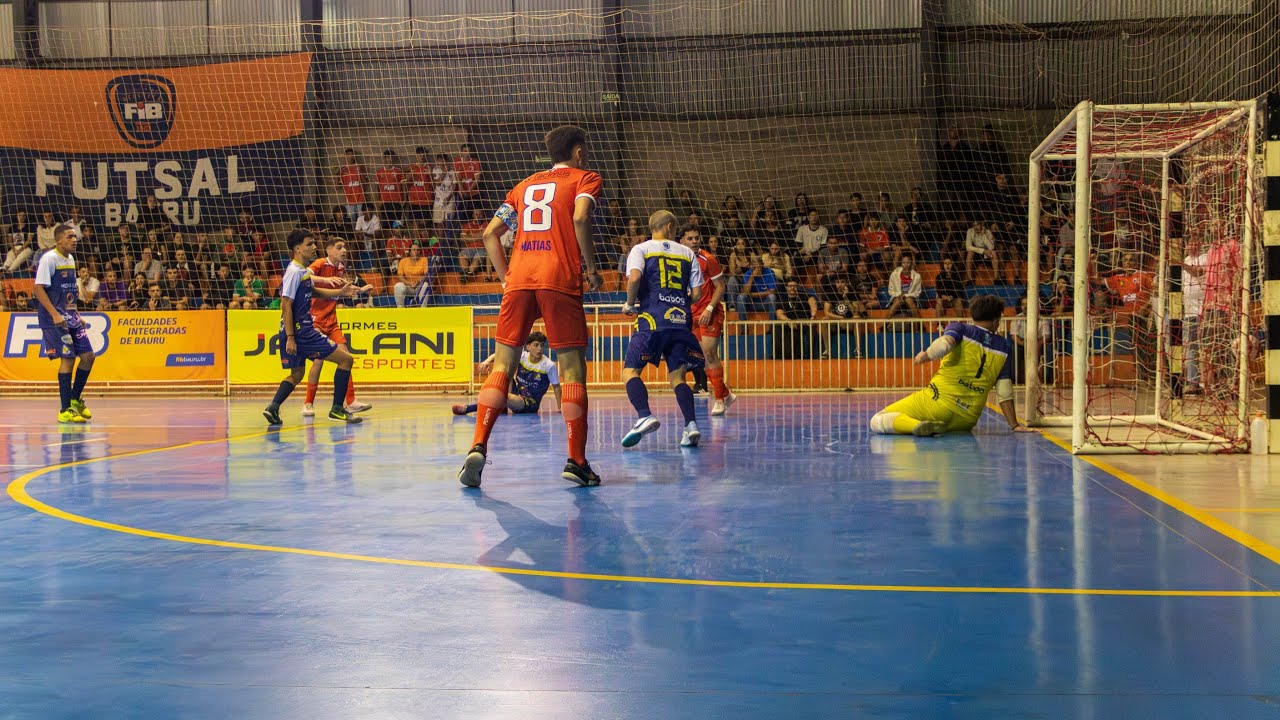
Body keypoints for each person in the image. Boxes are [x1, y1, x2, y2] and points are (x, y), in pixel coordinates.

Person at [457, 125, 603, 488]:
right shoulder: (586, 177)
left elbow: (489, 233)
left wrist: (507, 279)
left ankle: (478, 445)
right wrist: (592, 267)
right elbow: (581, 217)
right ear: (579, 152)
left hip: (519, 280)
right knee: (571, 371)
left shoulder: (523, 186)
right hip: (559, 278)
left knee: (502, 367)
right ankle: (577, 461)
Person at [870, 295, 1037, 436]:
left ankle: (914, 426)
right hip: (967, 419)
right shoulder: (1004, 346)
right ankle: (928, 425)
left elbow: (944, 345)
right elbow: (1004, 391)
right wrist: (1014, 425)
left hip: (936, 404)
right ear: (996, 320)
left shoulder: (961, 328)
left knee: (878, 419)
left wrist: (925, 355)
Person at [619, 210, 706, 448]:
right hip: (680, 323)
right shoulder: (688, 253)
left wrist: (629, 304)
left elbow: (635, 278)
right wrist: (678, 305)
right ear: (669, 227)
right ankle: (691, 426)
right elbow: (697, 293)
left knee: (630, 372)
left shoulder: (641, 249)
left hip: (652, 320)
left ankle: (644, 415)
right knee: (678, 378)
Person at [261, 230, 363, 426]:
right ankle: (337, 409)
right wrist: (291, 337)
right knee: (346, 360)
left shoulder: (303, 271)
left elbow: (313, 291)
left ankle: (273, 408)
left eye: (314, 243)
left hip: (294, 331)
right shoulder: (294, 272)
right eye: (310, 244)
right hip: (302, 332)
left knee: (297, 373)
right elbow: (285, 304)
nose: (314, 247)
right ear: (297, 249)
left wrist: (339, 292)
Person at [301, 237, 374, 417]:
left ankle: (351, 402)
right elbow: (303, 276)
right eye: (339, 247)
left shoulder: (341, 268)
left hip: (331, 320)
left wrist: (360, 289)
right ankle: (308, 403)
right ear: (329, 250)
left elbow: (342, 287)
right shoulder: (319, 263)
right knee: (318, 360)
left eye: (345, 247)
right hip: (315, 320)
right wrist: (325, 281)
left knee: (346, 357)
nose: (344, 250)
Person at [32, 224, 95, 423]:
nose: (74, 240)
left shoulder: (71, 259)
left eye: (75, 237)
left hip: (70, 315)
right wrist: (55, 314)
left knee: (88, 357)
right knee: (68, 359)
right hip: (54, 319)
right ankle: (65, 409)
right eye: (70, 237)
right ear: (58, 240)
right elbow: (38, 289)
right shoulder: (49, 259)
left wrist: (76, 312)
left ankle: (75, 400)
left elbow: (69, 289)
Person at [681, 225, 737, 415]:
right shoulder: (679, 259)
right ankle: (726, 393)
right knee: (703, 357)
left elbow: (720, 287)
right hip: (691, 313)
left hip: (709, 312)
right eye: (690, 238)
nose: (695, 241)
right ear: (681, 241)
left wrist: (710, 308)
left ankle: (720, 399)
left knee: (710, 353)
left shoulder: (708, 259)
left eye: (696, 238)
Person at [453, 332, 561, 416]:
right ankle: (503, 404)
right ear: (528, 347)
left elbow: (556, 387)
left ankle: (469, 409)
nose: (540, 349)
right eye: (536, 345)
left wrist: (560, 409)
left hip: (530, 403)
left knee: (500, 396)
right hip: (517, 392)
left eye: (542, 346)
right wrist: (487, 361)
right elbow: (499, 355)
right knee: (504, 372)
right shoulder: (522, 356)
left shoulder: (549, 366)